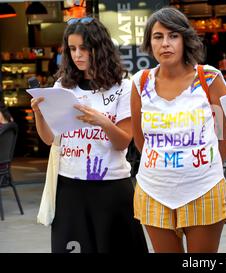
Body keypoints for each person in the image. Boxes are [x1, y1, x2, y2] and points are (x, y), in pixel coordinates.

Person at [30, 17, 148, 253]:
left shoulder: (123, 87)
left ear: (99, 48)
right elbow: (49, 139)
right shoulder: (62, 85)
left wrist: (102, 122)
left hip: (111, 187)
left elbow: (123, 141)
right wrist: (39, 114)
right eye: (72, 49)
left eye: (84, 48)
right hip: (69, 186)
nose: (77, 55)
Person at [130, 7, 226, 253]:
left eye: (173, 36)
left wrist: (207, 165)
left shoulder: (209, 79)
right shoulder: (140, 82)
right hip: (153, 189)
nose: (165, 43)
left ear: (185, 39)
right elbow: (139, 139)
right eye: (158, 37)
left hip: (203, 187)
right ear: (149, 42)